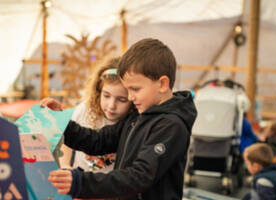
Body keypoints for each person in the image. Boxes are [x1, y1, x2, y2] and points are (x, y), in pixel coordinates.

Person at [48, 38, 197, 200]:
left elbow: (139, 176)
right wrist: (61, 123)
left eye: (135, 89)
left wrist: (82, 182)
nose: (131, 97)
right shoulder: (137, 117)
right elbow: (98, 140)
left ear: (162, 84)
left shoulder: (171, 126)